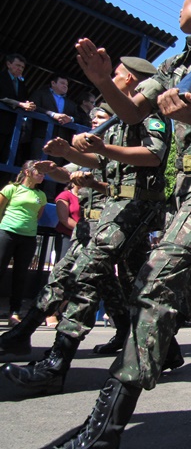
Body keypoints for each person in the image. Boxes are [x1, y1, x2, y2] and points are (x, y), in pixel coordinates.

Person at [47, 0, 191, 446]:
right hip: (184, 190)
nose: (179, 5)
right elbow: (131, 113)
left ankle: (106, 427)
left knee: (155, 279)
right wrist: (103, 81)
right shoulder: (176, 62)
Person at [2, 56, 174, 395]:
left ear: (132, 79)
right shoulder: (119, 120)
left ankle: (55, 363)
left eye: (117, 74)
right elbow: (99, 160)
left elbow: (153, 155)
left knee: (85, 272)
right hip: (117, 208)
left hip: (136, 206)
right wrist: (69, 154)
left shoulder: (151, 115)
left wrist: (103, 148)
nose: (113, 77)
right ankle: (168, 350)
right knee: (129, 284)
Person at [0, 160, 46, 325]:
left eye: (43, 173)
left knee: (20, 275)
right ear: (27, 172)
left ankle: (14, 312)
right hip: (7, 233)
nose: (42, 176)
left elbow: (37, 216)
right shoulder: (11, 189)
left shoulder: (41, 195)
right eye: (39, 172)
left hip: (28, 237)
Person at [28, 73, 80, 160]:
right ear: (53, 83)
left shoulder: (71, 103)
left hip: (60, 141)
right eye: (62, 83)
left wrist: (70, 119)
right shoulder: (40, 94)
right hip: (42, 135)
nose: (65, 86)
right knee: (37, 162)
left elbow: (79, 118)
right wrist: (52, 114)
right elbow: (33, 107)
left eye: (67, 85)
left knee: (54, 166)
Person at [0, 53, 36, 165]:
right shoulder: (1, 77)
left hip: (12, 126)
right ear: (8, 64)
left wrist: (28, 104)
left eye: (22, 67)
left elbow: (23, 99)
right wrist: (20, 104)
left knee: (6, 158)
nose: (20, 68)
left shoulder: (21, 84)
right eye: (17, 65)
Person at [54, 181, 81, 262]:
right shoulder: (65, 195)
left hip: (83, 238)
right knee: (64, 264)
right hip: (67, 236)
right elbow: (64, 219)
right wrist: (83, 229)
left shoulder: (87, 198)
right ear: (73, 183)